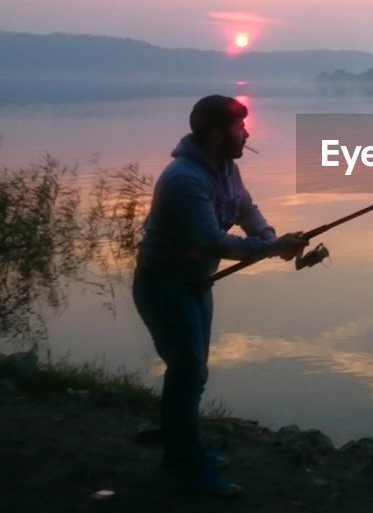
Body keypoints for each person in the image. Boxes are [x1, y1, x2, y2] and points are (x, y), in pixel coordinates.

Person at [133, 95, 307, 496]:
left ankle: (178, 442)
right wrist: (272, 248)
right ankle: (185, 463)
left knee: (190, 372)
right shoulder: (184, 179)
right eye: (239, 128)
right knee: (188, 371)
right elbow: (210, 241)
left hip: (194, 285)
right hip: (163, 286)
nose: (247, 134)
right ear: (216, 135)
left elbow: (246, 208)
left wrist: (269, 238)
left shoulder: (226, 168)